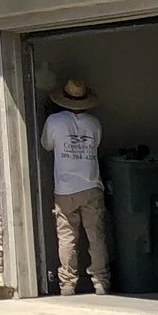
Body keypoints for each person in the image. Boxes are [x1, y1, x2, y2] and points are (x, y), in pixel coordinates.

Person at [43, 78, 109, 294]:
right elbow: (96, 145)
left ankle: (68, 284)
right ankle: (100, 282)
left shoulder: (53, 121)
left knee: (67, 237)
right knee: (96, 236)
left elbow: (47, 145)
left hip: (64, 189)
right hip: (91, 185)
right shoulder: (94, 123)